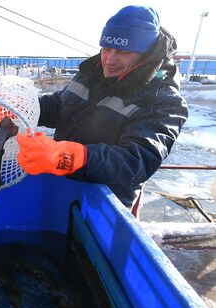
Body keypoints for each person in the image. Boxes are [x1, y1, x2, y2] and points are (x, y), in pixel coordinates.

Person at [16, 5, 188, 215]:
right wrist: (22, 107)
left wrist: (76, 157)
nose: (109, 59)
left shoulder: (164, 100)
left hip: (104, 207)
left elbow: (136, 161)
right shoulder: (92, 72)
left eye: (124, 52)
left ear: (146, 55)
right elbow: (60, 105)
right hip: (62, 188)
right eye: (106, 49)